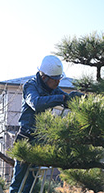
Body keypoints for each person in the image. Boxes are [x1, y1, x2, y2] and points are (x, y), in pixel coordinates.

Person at [9, 55, 84, 193]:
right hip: (26, 138)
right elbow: (36, 103)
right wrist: (61, 98)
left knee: (33, 181)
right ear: (44, 77)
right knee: (19, 182)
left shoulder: (53, 88)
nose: (58, 83)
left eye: (59, 79)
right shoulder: (30, 86)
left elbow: (64, 98)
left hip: (39, 139)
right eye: (55, 80)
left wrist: (74, 99)